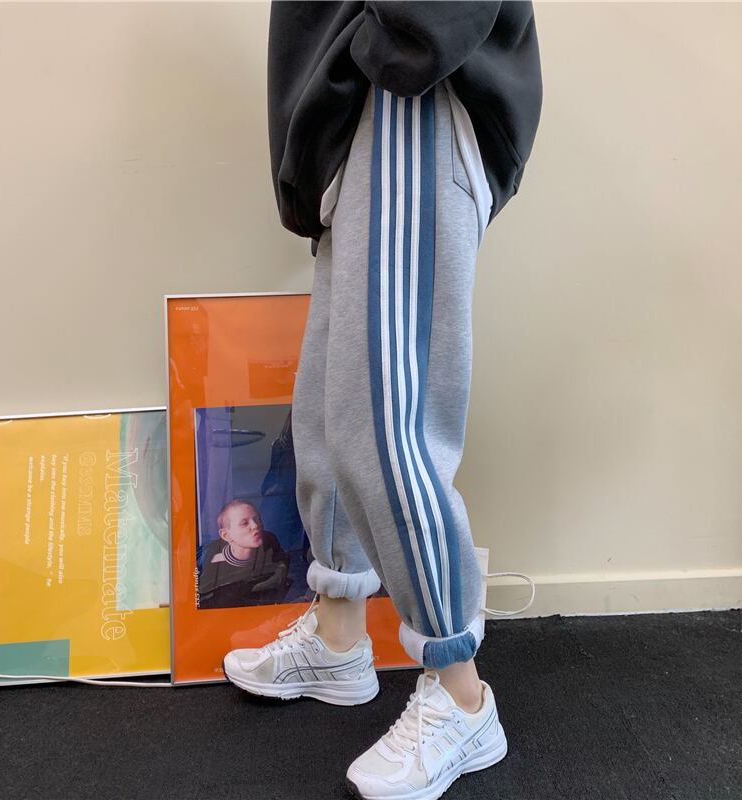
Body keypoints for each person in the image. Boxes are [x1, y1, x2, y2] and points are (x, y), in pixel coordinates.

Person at [224, 3, 542, 798]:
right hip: (360, 119)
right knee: (329, 410)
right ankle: (338, 637)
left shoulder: (402, 78)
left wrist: (391, 51)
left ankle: (462, 694)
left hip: (408, 99)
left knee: (386, 423)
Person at [198, 499, 289, 608]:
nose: (255, 525)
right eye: (244, 523)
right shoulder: (210, 565)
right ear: (226, 535)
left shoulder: (269, 542)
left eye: (258, 519)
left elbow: (282, 568)